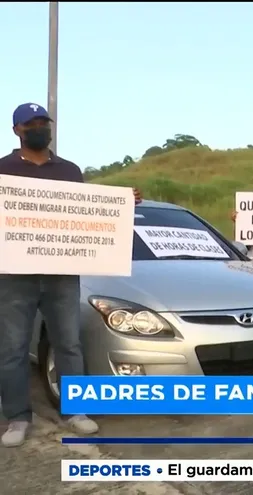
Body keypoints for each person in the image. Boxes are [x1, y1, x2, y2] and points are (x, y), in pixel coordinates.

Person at [0, 103, 142, 447]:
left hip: (62, 274)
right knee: (12, 348)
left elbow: (86, 215)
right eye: (31, 123)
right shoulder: (2, 169)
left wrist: (122, 205)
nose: (39, 128)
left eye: (43, 122)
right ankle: (17, 418)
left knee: (68, 343)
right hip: (14, 275)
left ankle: (76, 411)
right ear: (17, 130)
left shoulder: (69, 170)